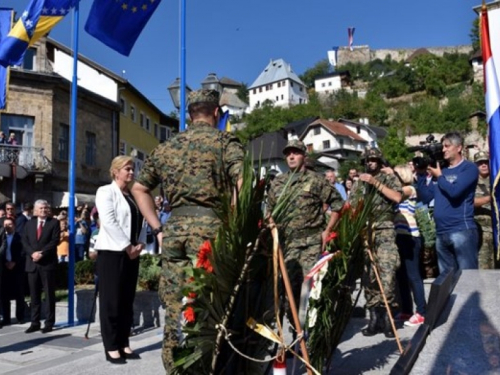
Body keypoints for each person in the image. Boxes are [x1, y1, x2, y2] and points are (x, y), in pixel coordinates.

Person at [131, 89, 244, 372]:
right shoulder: (224, 141)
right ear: (216, 113)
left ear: (190, 115)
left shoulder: (167, 147)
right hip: (212, 233)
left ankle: (175, 367)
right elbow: (243, 182)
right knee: (208, 303)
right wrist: (236, 222)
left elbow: (139, 188)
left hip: (174, 232)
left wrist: (158, 228)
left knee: (174, 305)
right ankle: (206, 366)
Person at [266, 140, 343, 314]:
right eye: (288, 154)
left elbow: (338, 204)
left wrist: (327, 231)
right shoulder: (278, 183)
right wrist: (272, 228)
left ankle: (309, 333)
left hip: (311, 242)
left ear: (304, 156)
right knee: (289, 290)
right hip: (288, 244)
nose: (291, 157)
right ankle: (296, 330)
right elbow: (269, 211)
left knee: (309, 289)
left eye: (296, 153)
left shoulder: (316, 180)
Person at [93, 156, 147, 364]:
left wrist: (140, 244)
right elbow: (109, 221)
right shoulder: (106, 192)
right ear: (116, 171)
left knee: (126, 300)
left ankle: (124, 342)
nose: (131, 173)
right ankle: (111, 346)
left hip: (132, 252)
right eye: (127, 169)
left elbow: (142, 221)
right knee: (111, 301)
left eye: (133, 169)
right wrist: (127, 246)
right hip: (113, 252)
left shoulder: (133, 195)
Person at [350, 148, 402, 338]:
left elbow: (397, 197)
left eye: (373, 159)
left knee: (387, 273)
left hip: (385, 229)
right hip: (365, 232)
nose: (370, 162)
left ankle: (389, 318)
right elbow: (352, 207)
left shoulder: (388, 178)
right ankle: (374, 318)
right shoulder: (358, 184)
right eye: (367, 160)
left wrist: (375, 183)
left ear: (380, 162)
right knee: (369, 276)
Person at [416, 132, 479, 274]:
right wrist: (421, 174)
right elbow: (426, 196)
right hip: (441, 232)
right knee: (447, 282)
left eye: (447, 146)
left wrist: (439, 177)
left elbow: (455, 191)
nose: (443, 149)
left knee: (468, 278)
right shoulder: (442, 170)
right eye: (442, 146)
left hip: (461, 230)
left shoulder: (469, 168)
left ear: (458, 148)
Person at [385, 165, 426, 327]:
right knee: (401, 276)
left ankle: (422, 312)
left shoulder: (409, 189)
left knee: (413, 276)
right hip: (398, 237)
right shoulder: (396, 190)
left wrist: (377, 182)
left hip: (410, 237)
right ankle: (407, 310)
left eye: (395, 175)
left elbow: (396, 197)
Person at [22, 199, 60, 334]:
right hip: (32, 263)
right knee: (34, 295)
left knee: (49, 294)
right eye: (41, 208)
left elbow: (55, 240)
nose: (43, 210)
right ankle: (35, 322)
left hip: (47, 264)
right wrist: (32, 253)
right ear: (35, 210)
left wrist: (42, 253)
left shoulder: (54, 223)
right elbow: (24, 241)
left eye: (45, 208)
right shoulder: (29, 223)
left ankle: (49, 323)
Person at [473, 151, 497, 269]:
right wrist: (489, 198)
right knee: (483, 269)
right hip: (481, 232)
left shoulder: (496, 182)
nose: (484, 165)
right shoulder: (471, 183)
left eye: (486, 162)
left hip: (496, 232)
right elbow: (469, 202)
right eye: (480, 163)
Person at [0, 217, 25, 325]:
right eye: (6, 225)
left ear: (14, 225)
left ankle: (20, 317)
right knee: (4, 295)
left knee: (19, 294)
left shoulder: (19, 237)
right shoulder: (2, 237)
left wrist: (14, 262)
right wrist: (5, 262)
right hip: (4, 268)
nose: (8, 227)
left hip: (17, 267)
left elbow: (23, 252)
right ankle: (6, 318)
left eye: (10, 224)